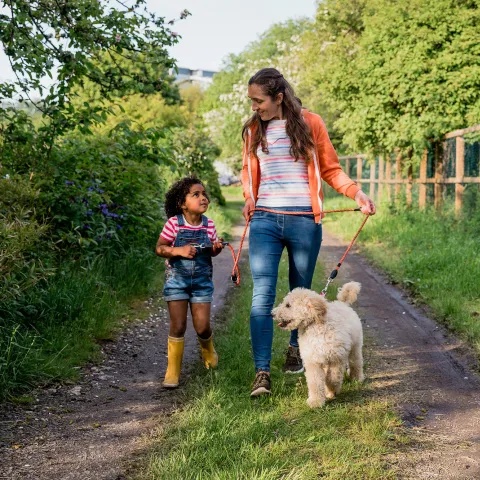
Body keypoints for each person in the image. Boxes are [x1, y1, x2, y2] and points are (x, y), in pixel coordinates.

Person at [241, 68, 376, 397]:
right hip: (265, 221)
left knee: (299, 293)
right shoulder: (252, 129)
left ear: (279, 97)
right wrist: (249, 197)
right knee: (262, 295)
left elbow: (330, 168)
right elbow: (247, 169)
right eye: (252, 101)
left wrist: (356, 194)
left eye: (259, 101)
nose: (254, 106)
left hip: (304, 220)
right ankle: (262, 372)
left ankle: (294, 349)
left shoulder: (310, 123)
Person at [156, 176, 225, 388]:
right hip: (177, 281)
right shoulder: (173, 224)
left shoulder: (209, 225)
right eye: (196, 194)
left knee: (202, 327)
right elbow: (160, 248)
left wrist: (215, 249)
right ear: (182, 203)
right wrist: (178, 250)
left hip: (202, 283)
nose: (203, 197)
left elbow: (210, 254)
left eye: (204, 194)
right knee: (178, 325)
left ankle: (208, 351)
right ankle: (172, 371)